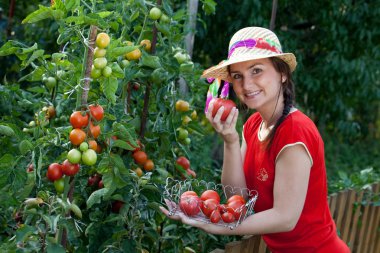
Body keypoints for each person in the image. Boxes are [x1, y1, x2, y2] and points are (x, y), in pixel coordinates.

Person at [160, 27, 350, 253]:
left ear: (282, 73)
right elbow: (237, 197)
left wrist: (219, 226)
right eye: (238, 76)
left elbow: (285, 217)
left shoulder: (295, 131)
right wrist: (230, 141)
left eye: (256, 71)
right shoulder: (253, 125)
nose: (246, 85)